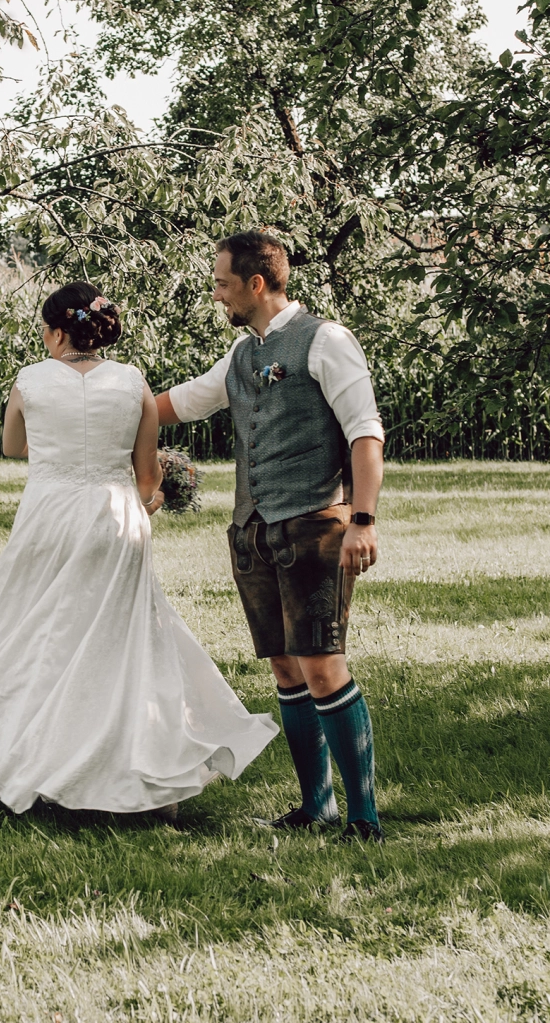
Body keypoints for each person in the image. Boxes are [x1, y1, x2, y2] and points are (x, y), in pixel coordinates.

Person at [0, 282, 278, 820]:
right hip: (115, 520)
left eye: (45, 329)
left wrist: (58, 439)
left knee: (34, 631)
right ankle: (142, 772)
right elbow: (146, 472)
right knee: (124, 640)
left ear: (59, 331)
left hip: (48, 516)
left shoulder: (31, 381)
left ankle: (27, 766)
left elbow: (13, 446)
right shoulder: (131, 382)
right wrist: (149, 498)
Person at [155, 231, 387, 842]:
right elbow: (181, 403)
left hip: (315, 524)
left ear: (256, 284)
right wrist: (99, 399)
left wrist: (363, 520)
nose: (217, 293)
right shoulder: (239, 355)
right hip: (254, 534)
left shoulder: (327, 341)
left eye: (223, 283)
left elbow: (366, 433)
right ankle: (318, 807)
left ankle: (364, 818)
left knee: (322, 666)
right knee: (286, 667)